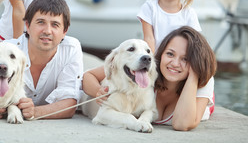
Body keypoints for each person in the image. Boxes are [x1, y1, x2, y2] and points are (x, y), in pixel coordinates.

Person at [82, 26, 217, 131]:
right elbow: (89, 76)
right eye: (170, 54)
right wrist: (98, 92)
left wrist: (194, 75)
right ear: (160, 54)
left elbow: (182, 124)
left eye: (186, 59)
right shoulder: (150, 66)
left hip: (200, 100)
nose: (175, 63)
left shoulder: (202, 82)